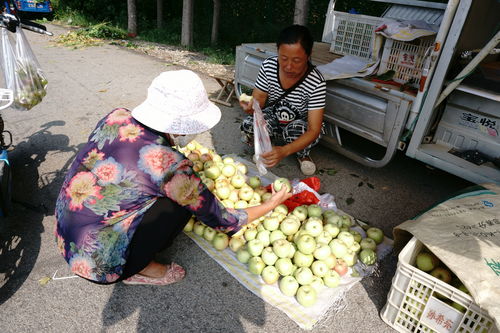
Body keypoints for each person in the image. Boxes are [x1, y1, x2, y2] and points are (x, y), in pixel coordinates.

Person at [54, 70, 292, 286]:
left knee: (168, 195)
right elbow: (225, 222)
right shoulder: (171, 166)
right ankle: (137, 268)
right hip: (98, 263)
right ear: (181, 125)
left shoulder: (116, 116)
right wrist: (271, 203)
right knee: (181, 206)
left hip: (67, 234)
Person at [240, 24, 326, 176]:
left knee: (297, 130)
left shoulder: (316, 81)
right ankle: (267, 147)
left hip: (298, 125)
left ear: (309, 54)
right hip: (274, 118)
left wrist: (284, 151)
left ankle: (302, 154)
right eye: (283, 58)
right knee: (248, 123)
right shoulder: (268, 66)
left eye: (297, 60)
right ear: (278, 51)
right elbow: (258, 104)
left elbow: (314, 129)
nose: (288, 66)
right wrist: (250, 107)